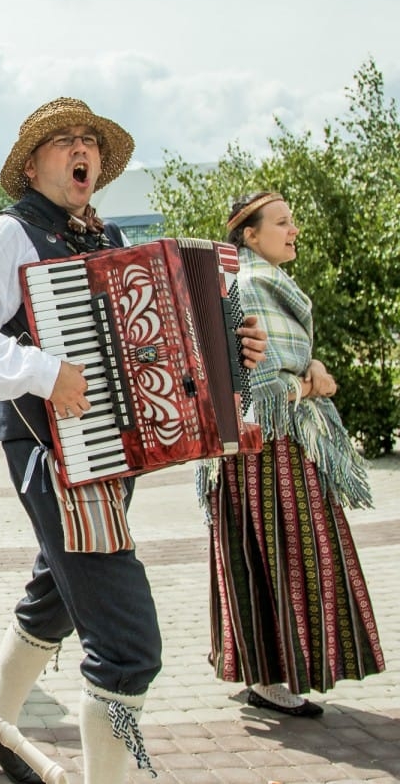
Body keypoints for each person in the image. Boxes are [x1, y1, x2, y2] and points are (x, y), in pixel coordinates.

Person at [0, 98, 267, 784]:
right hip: (50, 451)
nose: (84, 149)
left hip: (106, 452)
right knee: (127, 644)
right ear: (31, 165)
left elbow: (165, 350)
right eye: (65, 140)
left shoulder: (106, 243)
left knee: (56, 589)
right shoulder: (6, 236)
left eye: (91, 142)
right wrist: (44, 370)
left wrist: (233, 355)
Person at [202, 192, 384, 717]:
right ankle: (274, 680)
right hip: (271, 452)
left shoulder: (259, 283)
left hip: (264, 452)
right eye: (282, 223)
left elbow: (276, 369)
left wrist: (307, 373)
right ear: (250, 236)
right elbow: (255, 392)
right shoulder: (254, 286)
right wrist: (313, 385)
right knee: (288, 559)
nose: (294, 230)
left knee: (264, 560)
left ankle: (264, 675)